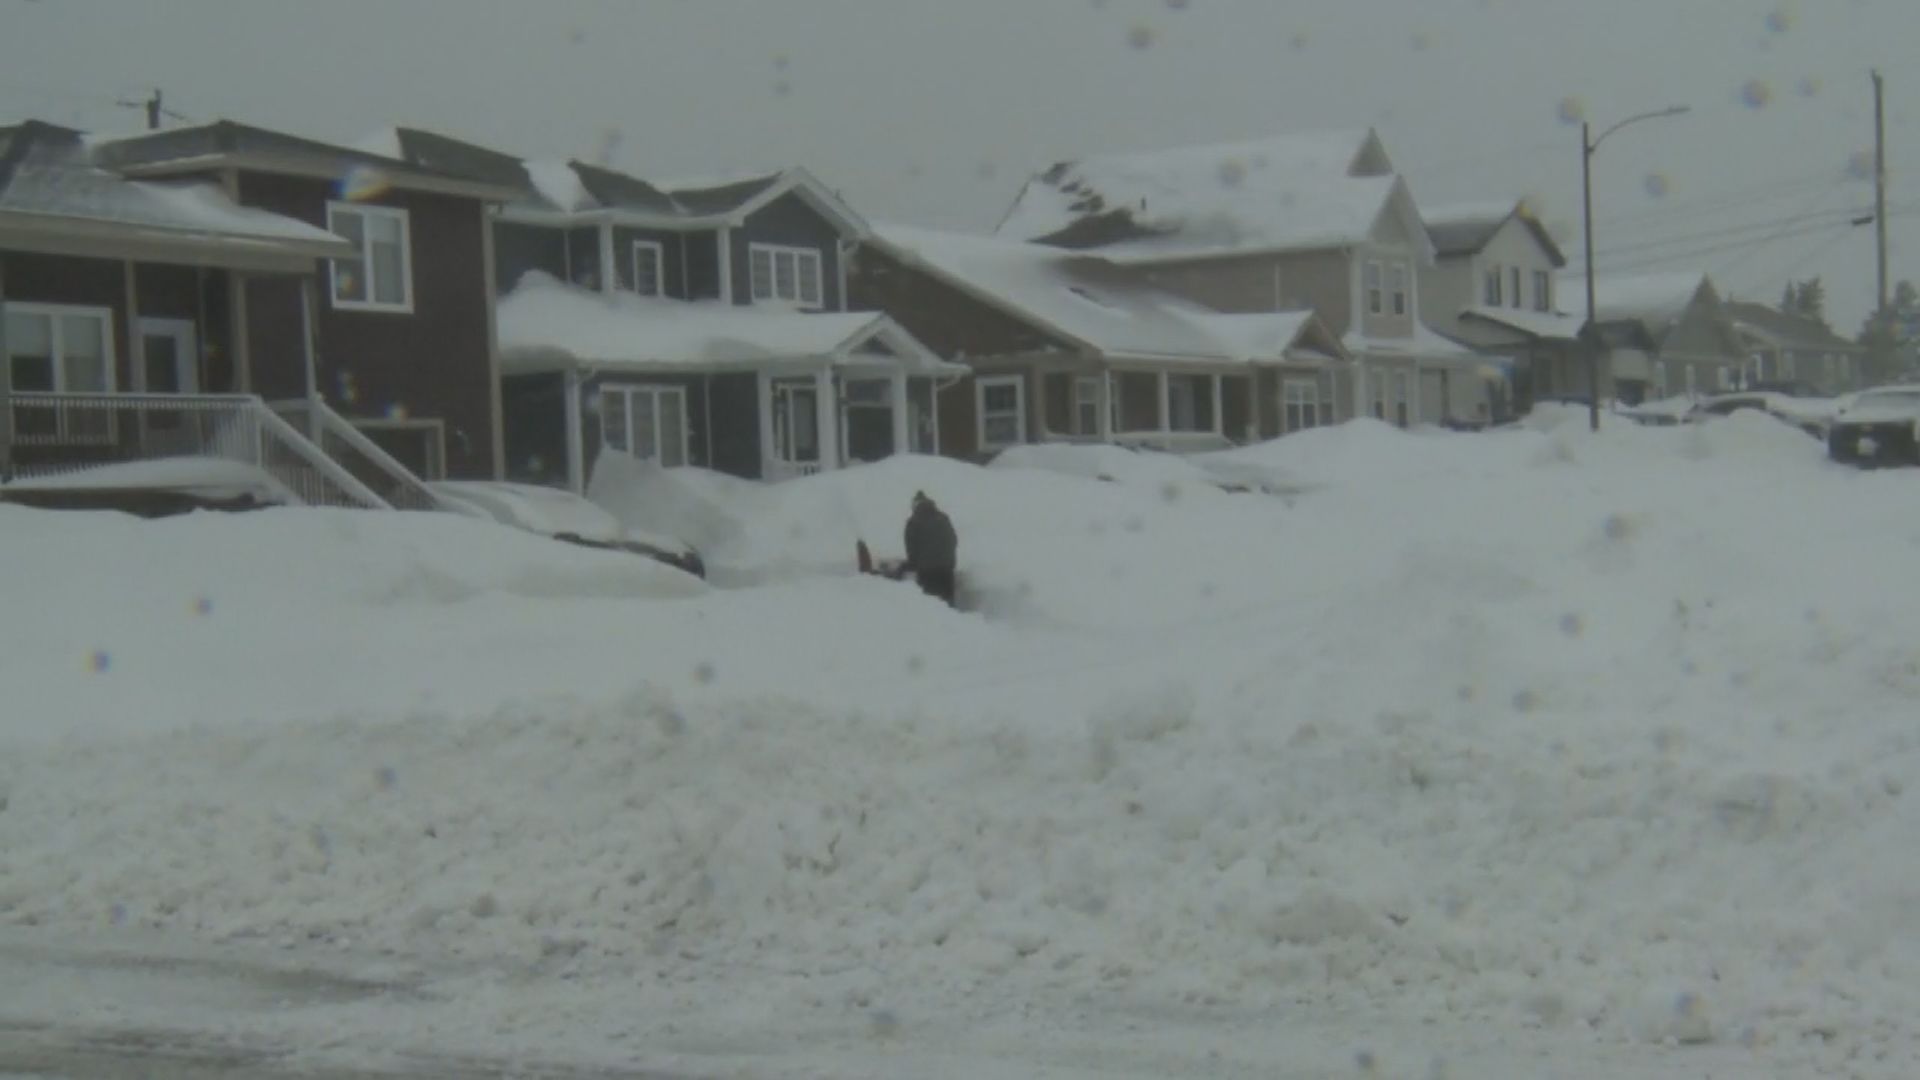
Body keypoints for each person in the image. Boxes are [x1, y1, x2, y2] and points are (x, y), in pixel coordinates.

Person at [902, 490, 958, 607]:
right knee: (948, 605)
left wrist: (913, 564)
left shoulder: (913, 523)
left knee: (932, 605)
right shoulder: (943, 518)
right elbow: (952, 540)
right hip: (946, 569)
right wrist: (950, 561)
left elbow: (911, 547)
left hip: (926, 571)